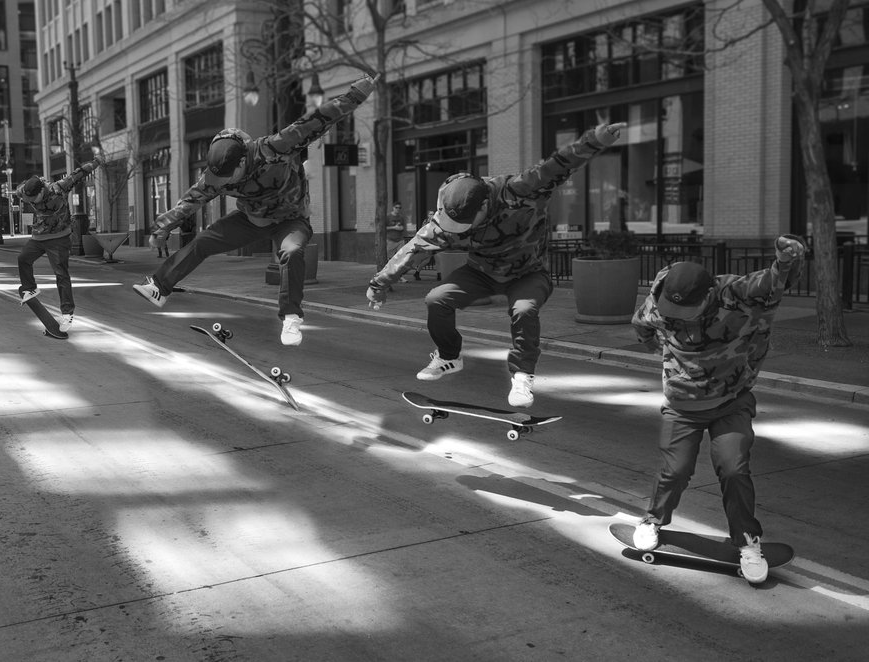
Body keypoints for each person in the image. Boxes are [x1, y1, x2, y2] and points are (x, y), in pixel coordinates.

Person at [366, 123, 624, 407]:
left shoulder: (521, 190)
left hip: (528, 272)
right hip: (482, 273)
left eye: (465, 225)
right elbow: (413, 249)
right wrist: (379, 284)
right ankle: (449, 357)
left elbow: (557, 165)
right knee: (436, 299)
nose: (458, 232)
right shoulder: (447, 214)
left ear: (484, 207)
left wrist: (594, 140)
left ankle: (522, 375)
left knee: (524, 309)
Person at [133, 73, 378, 346]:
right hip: (250, 219)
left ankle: (291, 318)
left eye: (229, 178)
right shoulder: (215, 176)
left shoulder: (276, 146)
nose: (225, 184)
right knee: (203, 241)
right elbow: (192, 199)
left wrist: (355, 96)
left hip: (291, 219)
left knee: (292, 251)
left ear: (242, 161)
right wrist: (163, 225)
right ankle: (159, 287)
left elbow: (318, 120)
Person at [629, 234, 808, 584]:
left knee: (734, 469)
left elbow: (776, 277)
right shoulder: (658, 298)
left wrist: (787, 258)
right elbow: (642, 326)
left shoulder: (738, 294)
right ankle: (652, 520)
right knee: (675, 471)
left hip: (732, 401)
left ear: (709, 294)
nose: (677, 316)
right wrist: (659, 352)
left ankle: (747, 541)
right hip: (682, 405)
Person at [15, 151, 105, 332]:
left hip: (59, 237)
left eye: (33, 198)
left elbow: (78, 173)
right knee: (23, 259)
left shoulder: (59, 187)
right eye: (28, 198)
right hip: (39, 236)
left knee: (61, 274)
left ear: (42, 191)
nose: (30, 201)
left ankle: (67, 314)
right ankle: (30, 288)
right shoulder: (23, 192)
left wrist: (96, 162)